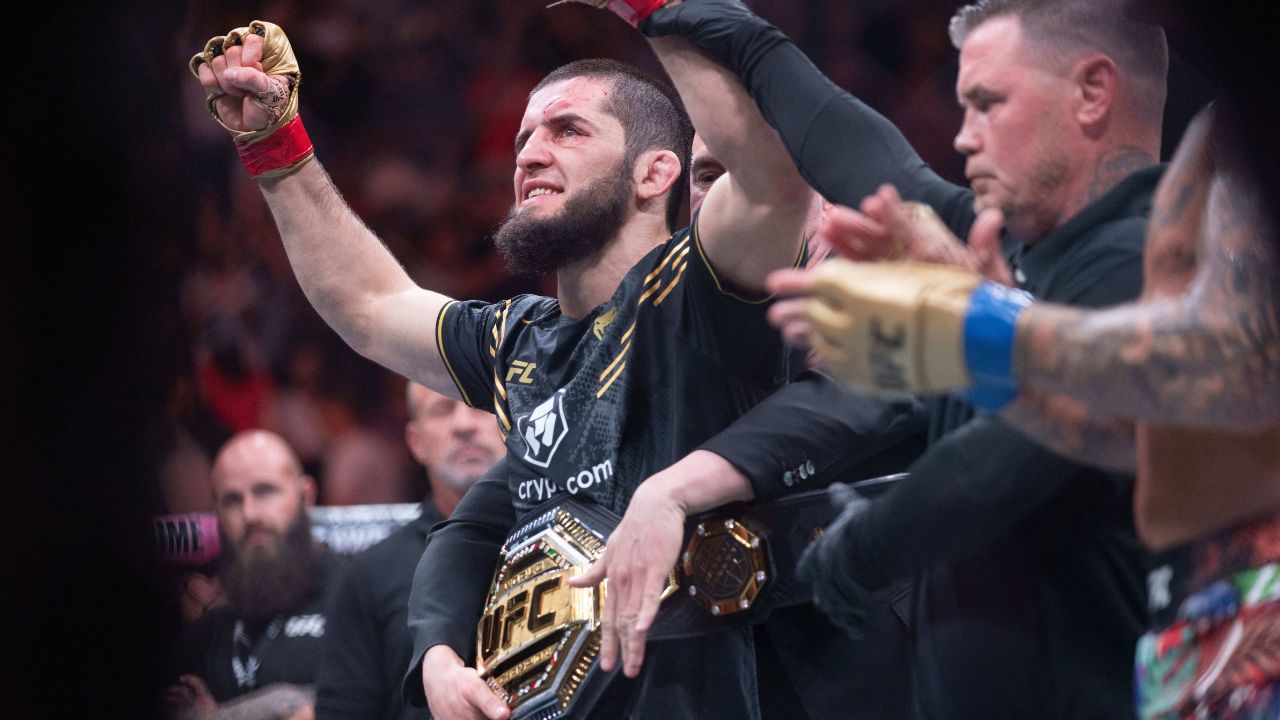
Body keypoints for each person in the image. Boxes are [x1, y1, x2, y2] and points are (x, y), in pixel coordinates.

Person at [190, 18, 813, 720]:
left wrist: (656, 10)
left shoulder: (701, 295)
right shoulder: (521, 339)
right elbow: (367, 305)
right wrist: (276, 146)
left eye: (567, 131)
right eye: (522, 140)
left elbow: (774, 180)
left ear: (656, 171)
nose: (530, 155)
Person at [613, 0, 1171, 716]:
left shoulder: (1152, 265)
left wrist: (855, 551)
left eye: (988, 104)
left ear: (1092, 93)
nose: (964, 138)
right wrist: (672, 14)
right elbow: (859, 152)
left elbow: (1009, 457)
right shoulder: (1014, 253)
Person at [314, 382, 505, 720]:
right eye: (442, 410)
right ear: (416, 442)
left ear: (512, 418)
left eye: (478, 403)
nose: (463, 424)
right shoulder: (370, 575)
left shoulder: (565, 534)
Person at [164, 430, 344, 720]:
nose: (250, 514)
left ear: (306, 496)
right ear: (216, 511)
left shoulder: (352, 596)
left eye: (265, 491)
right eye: (232, 500)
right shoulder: (208, 634)